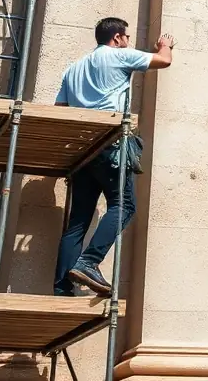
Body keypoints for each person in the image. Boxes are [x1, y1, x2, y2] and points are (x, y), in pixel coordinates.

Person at [53, 17, 175, 296]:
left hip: (83, 149)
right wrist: (165, 44)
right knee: (124, 206)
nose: (128, 42)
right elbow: (163, 61)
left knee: (78, 222)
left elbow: (60, 107)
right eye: (127, 37)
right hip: (110, 142)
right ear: (117, 38)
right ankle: (89, 262)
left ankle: (62, 289)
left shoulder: (73, 68)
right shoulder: (119, 55)